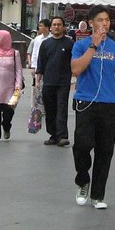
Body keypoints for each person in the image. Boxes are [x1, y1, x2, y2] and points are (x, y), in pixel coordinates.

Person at [70, 5, 115, 209]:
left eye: (107, 20)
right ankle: (82, 180)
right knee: (82, 145)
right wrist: (93, 46)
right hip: (85, 102)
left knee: (105, 150)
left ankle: (98, 195)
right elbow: (76, 69)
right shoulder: (81, 45)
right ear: (91, 23)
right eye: (100, 20)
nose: (104, 23)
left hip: (108, 103)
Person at [37, 16, 74, 147]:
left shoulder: (70, 43)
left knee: (62, 108)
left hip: (63, 82)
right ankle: (53, 135)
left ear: (63, 27)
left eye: (59, 24)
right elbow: (41, 62)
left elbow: (74, 62)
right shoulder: (45, 44)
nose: (57, 27)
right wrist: (38, 80)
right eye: (54, 24)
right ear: (51, 27)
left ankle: (62, 136)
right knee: (50, 109)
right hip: (48, 81)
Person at [27, 19, 50, 130]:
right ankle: (38, 106)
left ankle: (45, 106)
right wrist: (33, 66)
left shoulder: (51, 38)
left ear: (47, 27)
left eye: (41, 26)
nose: (39, 28)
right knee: (38, 87)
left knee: (46, 87)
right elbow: (35, 53)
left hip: (49, 67)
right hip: (38, 66)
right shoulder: (37, 39)